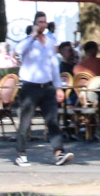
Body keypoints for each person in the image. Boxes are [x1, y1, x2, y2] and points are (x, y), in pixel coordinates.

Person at [14, 10, 72, 168]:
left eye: (44, 22)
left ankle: (59, 153)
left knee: (52, 121)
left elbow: (54, 65)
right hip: (30, 86)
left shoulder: (50, 41)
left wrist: (58, 87)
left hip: (47, 87)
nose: (42, 25)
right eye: (40, 22)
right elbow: (18, 51)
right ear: (34, 24)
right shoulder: (28, 41)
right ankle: (21, 153)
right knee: (26, 122)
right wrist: (32, 35)